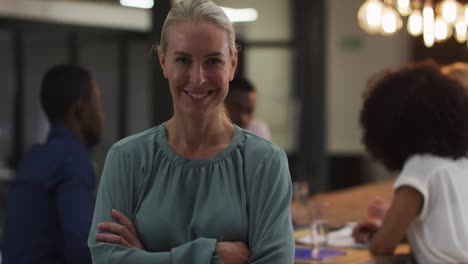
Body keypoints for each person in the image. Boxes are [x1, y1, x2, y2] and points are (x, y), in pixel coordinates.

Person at [88, 0, 295, 263]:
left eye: (213, 61)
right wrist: (211, 256)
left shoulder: (265, 162)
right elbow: (107, 259)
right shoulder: (126, 158)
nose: (197, 78)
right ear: (163, 62)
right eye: (183, 60)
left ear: (232, 64)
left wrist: (144, 258)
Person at [351, 61, 468, 263]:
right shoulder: (460, 163)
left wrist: (374, 235)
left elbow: (383, 245)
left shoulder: (420, 167)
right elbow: (445, 232)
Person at [2, 64, 104, 263]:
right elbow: (82, 247)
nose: (102, 115)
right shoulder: (72, 158)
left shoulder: (34, 158)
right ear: (80, 109)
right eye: (98, 104)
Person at [225, 76, 272, 140]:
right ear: (222, 103)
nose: (243, 118)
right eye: (237, 108)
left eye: (249, 111)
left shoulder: (258, 132)